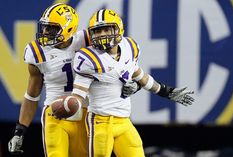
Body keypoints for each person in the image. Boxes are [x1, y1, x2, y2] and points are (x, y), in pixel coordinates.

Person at [8, 3, 139, 157]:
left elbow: (117, 63)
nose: (45, 32)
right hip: (55, 113)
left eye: (52, 28)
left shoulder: (87, 39)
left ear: (69, 29)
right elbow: (32, 94)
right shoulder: (36, 52)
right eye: (45, 27)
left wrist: (134, 83)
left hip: (84, 112)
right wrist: (20, 130)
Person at [70, 9, 194, 157]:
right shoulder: (88, 59)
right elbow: (78, 94)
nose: (102, 34)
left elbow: (138, 74)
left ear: (118, 29)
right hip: (100, 122)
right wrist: (68, 106)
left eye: (106, 29)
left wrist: (164, 91)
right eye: (97, 31)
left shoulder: (129, 47)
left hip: (123, 120)